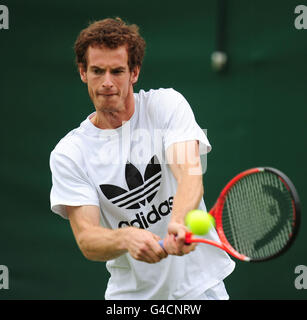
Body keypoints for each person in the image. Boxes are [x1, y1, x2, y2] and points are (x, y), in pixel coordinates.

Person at [49, 17, 235, 300]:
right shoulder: (69, 154)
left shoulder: (166, 105)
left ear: (134, 72)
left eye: (117, 71)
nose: (107, 82)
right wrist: (126, 238)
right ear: (82, 72)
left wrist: (178, 223)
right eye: (97, 71)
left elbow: (189, 174)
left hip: (201, 289)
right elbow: (87, 239)